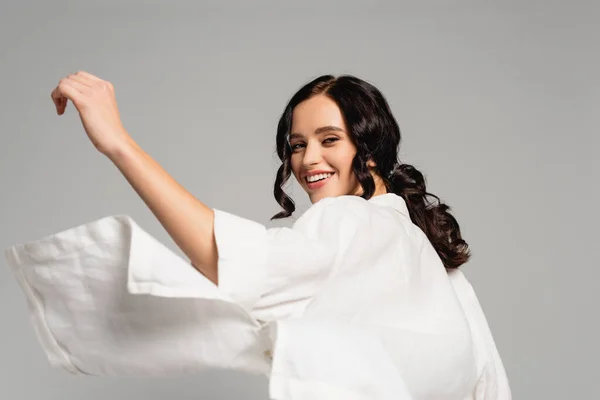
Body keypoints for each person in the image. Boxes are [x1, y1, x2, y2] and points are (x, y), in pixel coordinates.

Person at [4, 72, 511, 399]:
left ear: (371, 150)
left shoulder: (354, 221)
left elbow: (234, 262)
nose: (308, 159)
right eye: (297, 144)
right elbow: (488, 382)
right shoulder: (424, 250)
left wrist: (120, 145)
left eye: (329, 140)